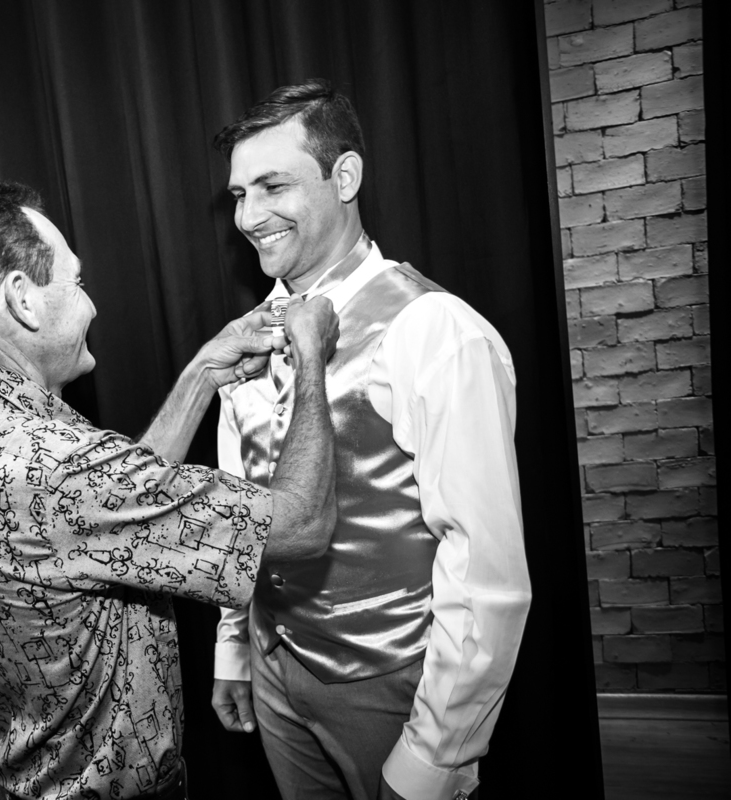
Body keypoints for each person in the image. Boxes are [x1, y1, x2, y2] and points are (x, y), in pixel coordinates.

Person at [0, 176, 342, 800]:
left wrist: (200, 376)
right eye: (75, 283)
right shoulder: (55, 467)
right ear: (23, 300)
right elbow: (301, 525)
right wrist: (313, 358)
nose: (92, 306)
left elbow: (111, 522)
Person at [208, 80, 532, 800]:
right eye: (238, 194)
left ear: (344, 176)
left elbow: (485, 570)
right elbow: (240, 506)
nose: (249, 216)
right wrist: (234, 647)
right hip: (274, 672)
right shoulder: (245, 340)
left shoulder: (436, 331)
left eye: (272, 186)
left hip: (390, 687)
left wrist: (433, 761)